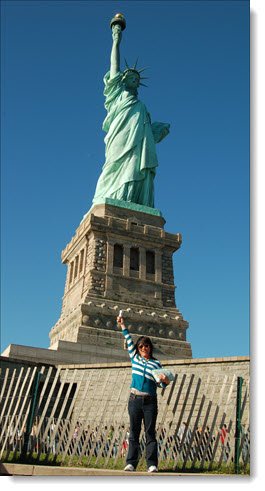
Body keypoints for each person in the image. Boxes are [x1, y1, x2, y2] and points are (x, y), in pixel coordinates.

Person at [92, 22, 170, 208]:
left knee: (135, 165)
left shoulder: (141, 106)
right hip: (119, 138)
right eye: (130, 77)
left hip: (138, 144)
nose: (134, 79)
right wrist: (116, 42)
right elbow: (114, 66)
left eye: (137, 79)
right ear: (123, 80)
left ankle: (132, 200)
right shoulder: (116, 96)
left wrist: (156, 131)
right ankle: (108, 197)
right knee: (113, 166)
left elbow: (146, 132)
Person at [117, 313, 170, 472]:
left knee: (150, 433)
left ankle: (151, 464)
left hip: (150, 401)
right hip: (134, 399)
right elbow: (128, 339)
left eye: (146, 346)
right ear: (138, 349)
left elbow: (160, 383)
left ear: (150, 347)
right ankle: (131, 462)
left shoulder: (156, 363)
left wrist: (164, 381)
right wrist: (122, 325)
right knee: (133, 431)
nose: (144, 348)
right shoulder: (135, 357)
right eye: (141, 346)